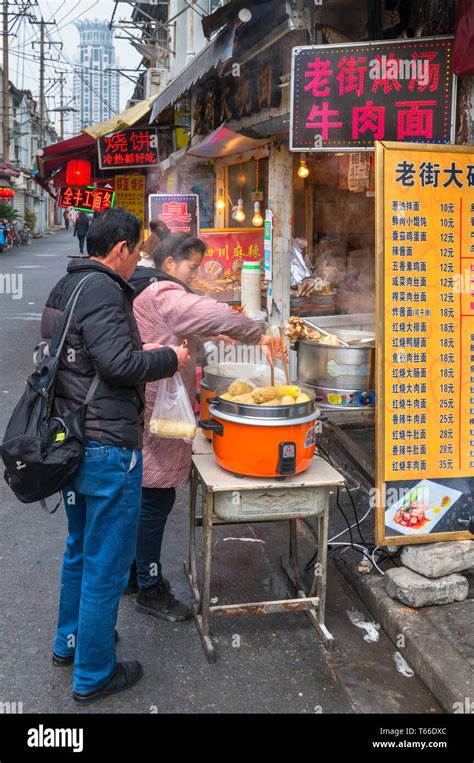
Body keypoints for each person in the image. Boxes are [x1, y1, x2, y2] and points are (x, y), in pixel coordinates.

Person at [40, 208, 190, 705]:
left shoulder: (68, 286)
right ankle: (93, 674)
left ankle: (71, 642)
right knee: (106, 561)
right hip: (105, 445)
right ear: (122, 249)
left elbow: (81, 359)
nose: (139, 262)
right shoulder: (104, 288)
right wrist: (171, 357)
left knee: (80, 550)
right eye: (137, 252)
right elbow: (119, 364)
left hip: (73, 441)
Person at [130, 233, 281, 621]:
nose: (195, 274)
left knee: (146, 493)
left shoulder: (149, 287)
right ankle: (148, 584)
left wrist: (212, 332)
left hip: (148, 405)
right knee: (155, 496)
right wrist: (256, 332)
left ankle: (133, 573)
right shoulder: (164, 291)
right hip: (156, 410)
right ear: (168, 265)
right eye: (192, 267)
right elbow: (214, 314)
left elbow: (188, 326)